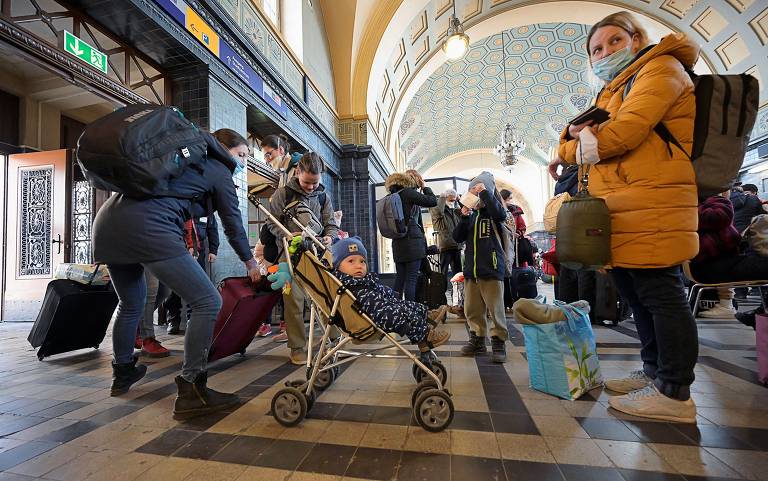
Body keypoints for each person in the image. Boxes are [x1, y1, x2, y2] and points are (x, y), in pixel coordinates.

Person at [548, 11, 699, 422]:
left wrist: (571, 145)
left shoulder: (660, 68)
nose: (605, 52)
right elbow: (575, 136)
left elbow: (620, 135)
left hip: (654, 199)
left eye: (614, 42)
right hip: (625, 204)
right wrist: (575, 141)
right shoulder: (614, 90)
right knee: (635, 291)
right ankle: (653, 370)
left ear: (636, 39)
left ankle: (674, 391)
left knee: (660, 292)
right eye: (596, 48)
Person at [92, 127, 260, 420]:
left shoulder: (179, 158)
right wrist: (250, 262)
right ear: (224, 148)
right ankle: (193, 388)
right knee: (208, 301)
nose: (243, 162)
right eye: (242, 154)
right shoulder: (218, 168)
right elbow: (232, 222)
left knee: (131, 302)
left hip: (107, 224)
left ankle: (122, 372)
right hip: (149, 227)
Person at [266, 152, 339, 364]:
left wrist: (329, 237)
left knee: (326, 298)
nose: (310, 187)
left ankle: (333, 340)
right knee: (293, 304)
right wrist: (289, 236)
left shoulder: (323, 196)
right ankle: (297, 347)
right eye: (307, 182)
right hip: (288, 258)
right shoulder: (283, 194)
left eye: (315, 183)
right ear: (298, 172)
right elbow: (271, 224)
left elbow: (331, 224)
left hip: (317, 256)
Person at [331, 237, 450, 350]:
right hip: (377, 318)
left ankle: (426, 315)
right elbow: (376, 307)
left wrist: (391, 295)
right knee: (403, 312)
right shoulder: (352, 288)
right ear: (337, 266)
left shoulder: (361, 282)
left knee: (404, 304)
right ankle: (426, 336)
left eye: (362, 261)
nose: (358, 266)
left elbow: (379, 293)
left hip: (381, 310)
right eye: (351, 261)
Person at [454, 172, 509, 363]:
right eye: (473, 190)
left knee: (495, 309)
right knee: (472, 309)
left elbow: (500, 214)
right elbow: (457, 237)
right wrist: (463, 217)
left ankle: (498, 341)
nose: (475, 194)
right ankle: (477, 339)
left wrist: (486, 193)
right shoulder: (472, 215)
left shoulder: (493, 212)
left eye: (478, 190)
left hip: (491, 269)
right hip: (472, 271)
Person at [690, 194, 768, 327]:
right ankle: (761, 312)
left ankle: (761, 311)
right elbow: (720, 216)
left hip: (711, 265)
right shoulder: (708, 204)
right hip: (715, 266)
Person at [385, 170, 437, 301]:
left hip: (397, 242)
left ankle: (395, 311)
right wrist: (425, 187)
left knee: (400, 279)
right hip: (412, 243)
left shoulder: (391, 196)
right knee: (411, 279)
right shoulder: (408, 193)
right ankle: (411, 314)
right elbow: (432, 201)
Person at [429, 188, 462, 311]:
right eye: (450, 199)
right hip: (445, 247)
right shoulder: (440, 209)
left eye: (453, 199)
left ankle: (458, 302)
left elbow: (464, 214)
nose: (452, 201)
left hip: (457, 246)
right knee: (442, 276)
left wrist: (459, 200)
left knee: (458, 276)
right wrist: (442, 197)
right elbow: (438, 212)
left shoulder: (455, 211)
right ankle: (441, 303)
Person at [134, 271, 171, 357]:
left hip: (163, 258)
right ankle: (147, 339)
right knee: (149, 291)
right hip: (144, 258)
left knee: (164, 291)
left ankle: (137, 327)